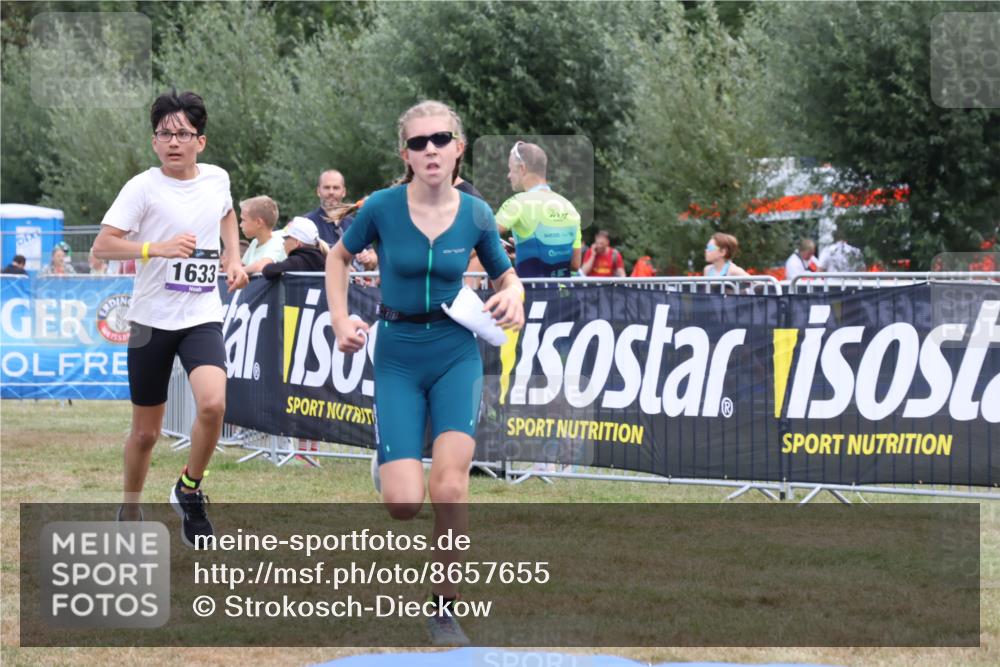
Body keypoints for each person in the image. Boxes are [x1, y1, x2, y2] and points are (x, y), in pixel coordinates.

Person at [326, 100, 524, 646]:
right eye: (418, 143)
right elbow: (337, 259)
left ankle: (444, 608)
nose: (430, 149)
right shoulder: (381, 207)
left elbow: (508, 277)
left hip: (456, 352)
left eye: (440, 140)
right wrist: (340, 320)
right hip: (397, 353)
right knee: (403, 503)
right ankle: (392, 460)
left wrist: (515, 297)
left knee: (451, 486)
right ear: (406, 154)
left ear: (458, 148)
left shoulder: (477, 214)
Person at [91, 90, 249, 545]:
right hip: (150, 321)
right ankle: (130, 508)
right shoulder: (142, 188)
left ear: (201, 140)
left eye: (182, 134)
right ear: (154, 141)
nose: (173, 142)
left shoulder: (217, 178)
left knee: (213, 405)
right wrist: (153, 248)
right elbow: (103, 245)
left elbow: (227, 214)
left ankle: (189, 489)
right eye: (164, 134)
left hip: (201, 315)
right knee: (146, 433)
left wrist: (233, 257)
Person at [496, 141, 582, 278]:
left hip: (532, 290)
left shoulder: (518, 202)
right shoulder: (569, 207)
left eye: (510, 169)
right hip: (564, 291)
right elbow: (574, 265)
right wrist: (527, 253)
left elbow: (482, 237)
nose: (509, 175)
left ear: (522, 168)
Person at [262, 217, 327, 278]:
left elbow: (268, 270)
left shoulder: (295, 262)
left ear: (297, 242)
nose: (283, 242)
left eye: (286, 238)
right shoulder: (323, 258)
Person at [239, 195, 286, 274]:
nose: (240, 225)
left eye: (243, 220)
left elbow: (262, 266)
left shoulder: (277, 243)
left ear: (258, 222)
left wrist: (238, 272)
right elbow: (243, 265)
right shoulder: (255, 242)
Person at [304, 169, 350, 245]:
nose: (331, 192)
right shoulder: (305, 223)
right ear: (318, 191)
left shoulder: (354, 224)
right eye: (326, 187)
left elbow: (369, 251)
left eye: (336, 188)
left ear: (344, 192)